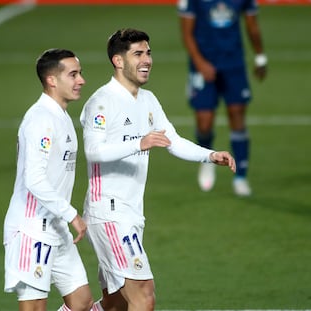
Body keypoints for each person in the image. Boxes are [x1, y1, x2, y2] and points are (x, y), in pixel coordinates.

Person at [80, 28, 236, 311]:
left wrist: (210, 155)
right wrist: (139, 143)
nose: (147, 60)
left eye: (148, 53)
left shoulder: (148, 100)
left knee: (115, 305)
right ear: (118, 61)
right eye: (138, 54)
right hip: (109, 213)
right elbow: (93, 150)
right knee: (144, 295)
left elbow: (172, 140)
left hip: (131, 213)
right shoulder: (101, 102)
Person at [3, 48, 95, 311]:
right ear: (52, 80)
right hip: (32, 228)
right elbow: (34, 179)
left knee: (81, 302)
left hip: (55, 226)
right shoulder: (41, 119)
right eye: (74, 74)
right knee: (34, 306)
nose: (81, 80)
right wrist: (71, 214)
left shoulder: (60, 116)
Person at [177, 0, 267, 196]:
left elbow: (252, 24)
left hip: (234, 65)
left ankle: (241, 176)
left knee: (237, 117)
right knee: (204, 123)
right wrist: (200, 63)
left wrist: (260, 56)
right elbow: (186, 33)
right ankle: (207, 157)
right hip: (203, 65)